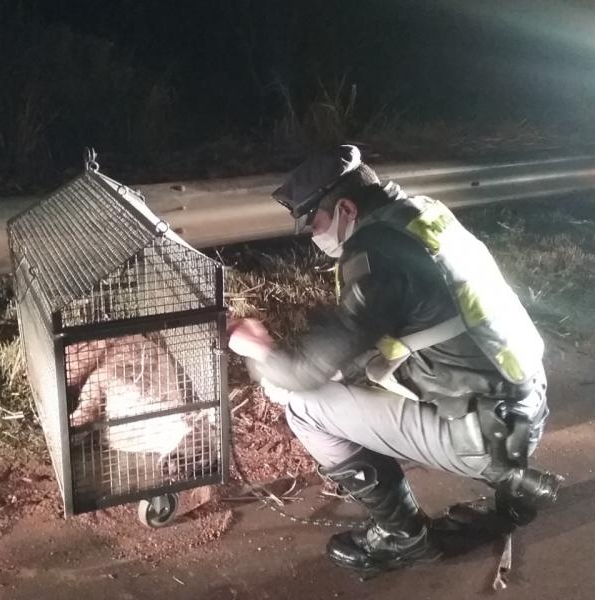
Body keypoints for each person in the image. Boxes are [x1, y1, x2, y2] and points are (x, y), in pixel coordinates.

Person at [228, 145, 560, 575]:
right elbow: (383, 333)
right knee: (355, 376)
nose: (313, 234)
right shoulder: (420, 216)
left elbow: (303, 374)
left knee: (305, 408)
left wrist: (258, 348)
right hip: (524, 398)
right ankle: (511, 485)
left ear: (346, 208)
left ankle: (403, 537)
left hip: (483, 429)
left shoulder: (376, 255)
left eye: (316, 221)